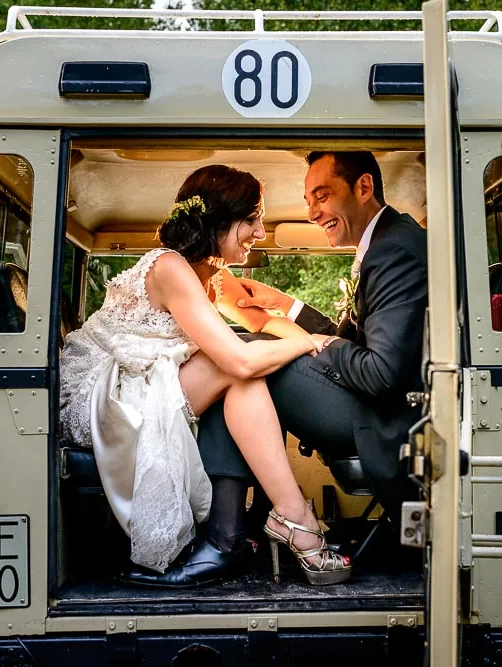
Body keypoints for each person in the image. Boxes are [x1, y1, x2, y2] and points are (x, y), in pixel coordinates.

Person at [127, 151, 428, 587]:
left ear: (363, 188)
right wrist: (295, 318)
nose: (312, 211)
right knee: (239, 358)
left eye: (321, 195)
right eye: (309, 199)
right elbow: (352, 341)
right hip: (373, 402)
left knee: (244, 357)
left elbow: (378, 370)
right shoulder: (387, 243)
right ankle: (258, 523)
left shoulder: (395, 249)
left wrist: (305, 342)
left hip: (385, 418)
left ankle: (235, 532)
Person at [59, 164, 351, 585]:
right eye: (251, 220)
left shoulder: (212, 274)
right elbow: (242, 360)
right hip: (107, 393)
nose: (260, 232)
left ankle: (273, 522)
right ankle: (293, 516)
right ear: (219, 221)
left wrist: (318, 341)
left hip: (146, 380)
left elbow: (261, 323)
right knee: (238, 366)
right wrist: (306, 345)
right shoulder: (171, 267)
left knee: (243, 370)